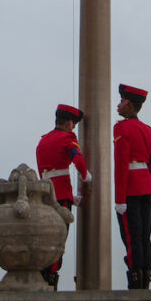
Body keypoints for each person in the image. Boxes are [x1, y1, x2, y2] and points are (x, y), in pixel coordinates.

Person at [35, 103, 91, 289]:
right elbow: (77, 159)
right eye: (73, 124)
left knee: (45, 238)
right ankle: (50, 279)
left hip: (44, 196)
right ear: (68, 123)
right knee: (58, 239)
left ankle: (43, 276)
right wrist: (85, 175)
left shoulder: (43, 141)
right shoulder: (68, 138)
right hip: (60, 197)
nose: (73, 127)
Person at [113, 83, 151, 289]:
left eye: (122, 101)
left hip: (131, 189)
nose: (119, 105)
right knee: (144, 237)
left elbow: (121, 164)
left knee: (132, 238)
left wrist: (119, 199)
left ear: (130, 105)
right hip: (148, 189)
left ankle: (135, 280)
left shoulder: (121, 128)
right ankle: (145, 278)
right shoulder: (150, 133)